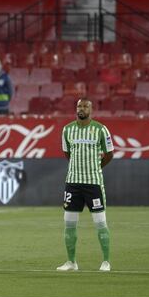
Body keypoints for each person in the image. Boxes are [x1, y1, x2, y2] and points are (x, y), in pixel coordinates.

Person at [57, 98, 114, 272]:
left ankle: (106, 261)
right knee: (69, 222)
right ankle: (71, 262)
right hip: (73, 182)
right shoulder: (67, 130)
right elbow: (67, 154)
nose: (81, 109)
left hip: (93, 183)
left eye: (85, 106)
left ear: (91, 109)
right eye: (79, 106)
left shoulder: (100, 130)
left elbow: (109, 154)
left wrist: (95, 168)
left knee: (100, 222)